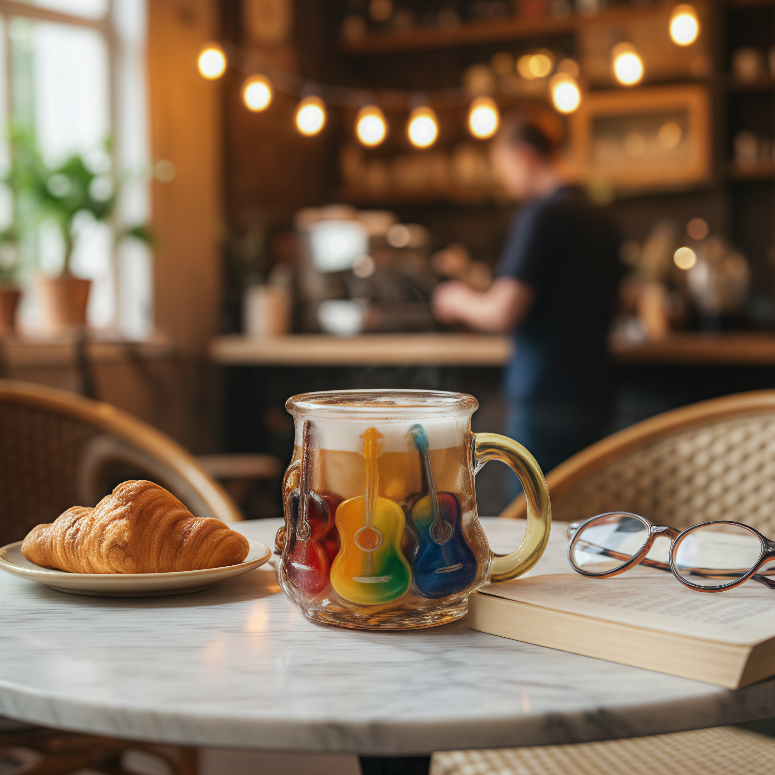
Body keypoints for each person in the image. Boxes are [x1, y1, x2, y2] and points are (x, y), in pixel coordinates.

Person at [432, 107, 622, 476]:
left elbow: (502, 311)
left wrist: (454, 297)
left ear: (525, 156)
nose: (506, 182)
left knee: (535, 518)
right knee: (586, 518)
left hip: (546, 395)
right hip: (596, 393)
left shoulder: (543, 215)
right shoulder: (600, 217)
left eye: (504, 170)